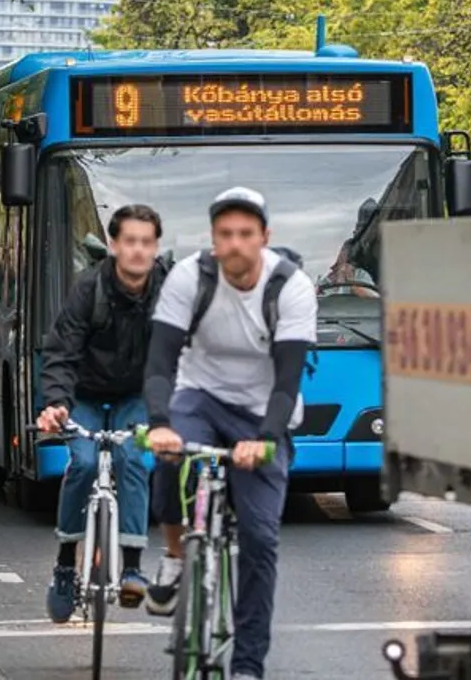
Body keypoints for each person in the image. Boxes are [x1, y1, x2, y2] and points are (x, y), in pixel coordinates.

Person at [142, 186, 317, 680]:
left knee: (261, 541)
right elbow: (160, 363)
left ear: (265, 237)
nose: (235, 244)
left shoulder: (291, 287)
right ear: (213, 238)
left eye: (245, 234)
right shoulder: (189, 277)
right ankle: (176, 555)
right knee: (168, 454)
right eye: (225, 234)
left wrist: (264, 438)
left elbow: (287, 379)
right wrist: (159, 425)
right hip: (201, 394)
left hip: (264, 411)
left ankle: (246, 666)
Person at [38, 204, 169, 624]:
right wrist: (56, 402)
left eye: (146, 242)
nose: (137, 250)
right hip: (85, 395)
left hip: (136, 395)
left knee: (133, 459)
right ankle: (64, 566)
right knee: (83, 463)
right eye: (129, 241)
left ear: (155, 248)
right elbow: (60, 352)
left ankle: (132, 567)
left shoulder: (167, 293)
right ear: (114, 245)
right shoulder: (88, 289)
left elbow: (174, 357)